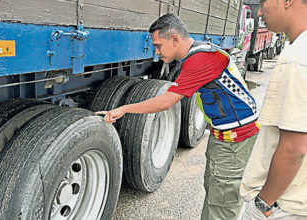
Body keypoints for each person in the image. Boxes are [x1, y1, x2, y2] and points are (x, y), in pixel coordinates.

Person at [97, 13, 260, 220]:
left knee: (221, 206)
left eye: (158, 45)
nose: (156, 53)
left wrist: (123, 109)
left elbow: (166, 102)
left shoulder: (201, 59)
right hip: (227, 136)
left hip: (235, 141)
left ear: (174, 39)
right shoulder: (199, 53)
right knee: (215, 195)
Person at [239, 0, 307, 219]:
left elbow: (294, 148)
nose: (260, 11)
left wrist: (262, 203)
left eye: (263, 2)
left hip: (283, 206)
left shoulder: (297, 58)